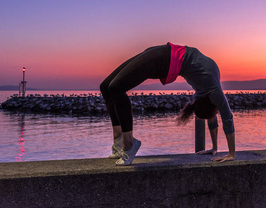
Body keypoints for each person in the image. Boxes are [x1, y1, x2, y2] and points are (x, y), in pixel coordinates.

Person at [100, 42, 235, 165]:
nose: (217, 111)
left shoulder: (204, 93)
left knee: (111, 88)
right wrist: (231, 154)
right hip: (165, 59)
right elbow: (227, 118)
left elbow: (212, 118)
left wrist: (214, 148)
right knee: (107, 87)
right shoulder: (213, 90)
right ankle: (128, 143)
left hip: (163, 52)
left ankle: (120, 141)